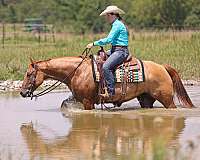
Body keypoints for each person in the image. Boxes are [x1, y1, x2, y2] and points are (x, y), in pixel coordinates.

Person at [86, 5, 129, 99]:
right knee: (97, 58)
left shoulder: (117, 25)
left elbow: (109, 40)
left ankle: (110, 92)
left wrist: (94, 43)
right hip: (115, 49)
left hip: (120, 51)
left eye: (107, 15)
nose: (106, 18)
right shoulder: (117, 24)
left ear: (113, 15)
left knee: (106, 67)